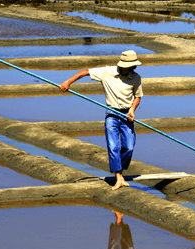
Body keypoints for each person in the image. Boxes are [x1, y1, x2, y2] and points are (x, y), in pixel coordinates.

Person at [60, 50, 143, 190]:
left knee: (128, 146)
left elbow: (138, 96)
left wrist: (132, 109)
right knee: (113, 146)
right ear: (124, 65)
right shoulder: (107, 72)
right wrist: (68, 82)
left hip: (127, 114)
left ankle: (120, 171)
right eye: (131, 65)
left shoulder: (136, 78)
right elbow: (85, 72)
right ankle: (118, 177)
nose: (134, 68)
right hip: (112, 113)